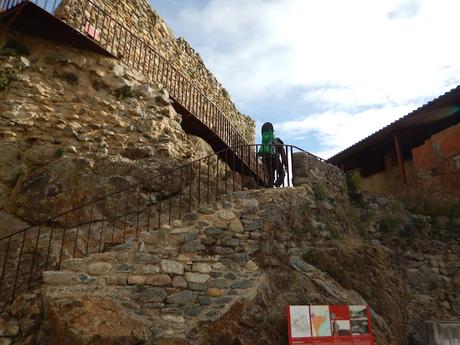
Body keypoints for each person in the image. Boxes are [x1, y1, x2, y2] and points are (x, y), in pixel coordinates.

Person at [258, 122, 287, 187]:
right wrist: (286, 165)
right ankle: (277, 183)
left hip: (266, 159)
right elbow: (283, 155)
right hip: (275, 158)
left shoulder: (264, 141)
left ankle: (270, 187)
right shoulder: (277, 141)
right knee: (282, 173)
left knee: (271, 176)